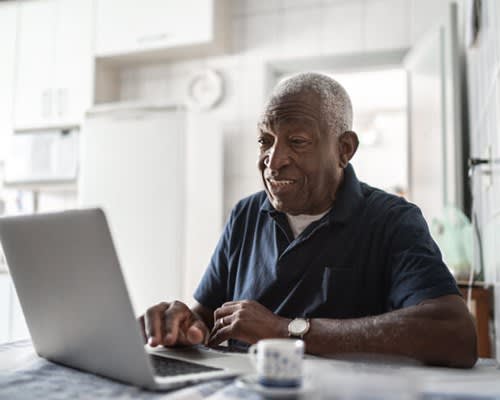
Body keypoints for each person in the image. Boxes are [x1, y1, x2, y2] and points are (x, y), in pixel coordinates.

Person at [139, 72, 477, 368]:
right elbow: (208, 318)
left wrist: (286, 330)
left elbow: (454, 333)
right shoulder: (245, 214)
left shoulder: (392, 220)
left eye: (297, 142)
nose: (273, 161)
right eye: (265, 141)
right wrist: (183, 327)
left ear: (344, 149)